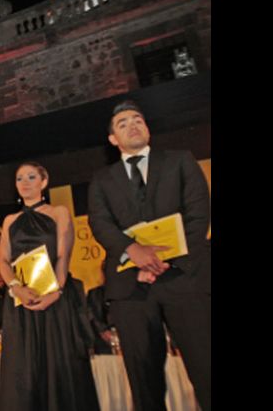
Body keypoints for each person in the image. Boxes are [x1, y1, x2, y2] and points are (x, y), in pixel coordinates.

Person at [88, 100, 211, 411]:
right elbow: (101, 223)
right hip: (131, 288)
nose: (133, 125)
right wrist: (133, 251)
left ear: (147, 127)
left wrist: (165, 259)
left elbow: (198, 214)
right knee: (144, 382)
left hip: (183, 279)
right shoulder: (102, 179)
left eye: (138, 119)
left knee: (206, 368)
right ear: (113, 139)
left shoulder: (179, 161)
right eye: (123, 123)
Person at [0, 162, 99, 411]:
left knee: (59, 367)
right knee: (23, 372)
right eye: (19, 178)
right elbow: (3, 260)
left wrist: (57, 291)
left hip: (55, 300)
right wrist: (15, 287)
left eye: (32, 177)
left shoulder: (59, 212)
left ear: (44, 182)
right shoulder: (10, 220)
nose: (25, 182)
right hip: (21, 302)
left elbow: (64, 256)